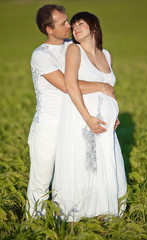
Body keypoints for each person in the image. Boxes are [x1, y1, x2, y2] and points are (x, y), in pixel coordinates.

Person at [26, 5, 117, 217]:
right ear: (49, 29)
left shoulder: (72, 46)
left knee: (72, 178)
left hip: (74, 122)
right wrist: (102, 87)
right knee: (41, 181)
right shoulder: (40, 55)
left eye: (68, 21)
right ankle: (33, 226)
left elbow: (97, 67)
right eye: (63, 23)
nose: (69, 26)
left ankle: (72, 219)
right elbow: (67, 85)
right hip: (49, 126)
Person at [53, 12, 127, 222]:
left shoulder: (107, 55)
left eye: (80, 24)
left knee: (104, 163)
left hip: (105, 125)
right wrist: (86, 117)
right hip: (81, 118)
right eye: (73, 26)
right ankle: (78, 216)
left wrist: (115, 114)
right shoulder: (74, 50)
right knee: (84, 164)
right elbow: (70, 85)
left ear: (94, 27)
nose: (75, 29)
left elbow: (109, 90)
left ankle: (104, 213)